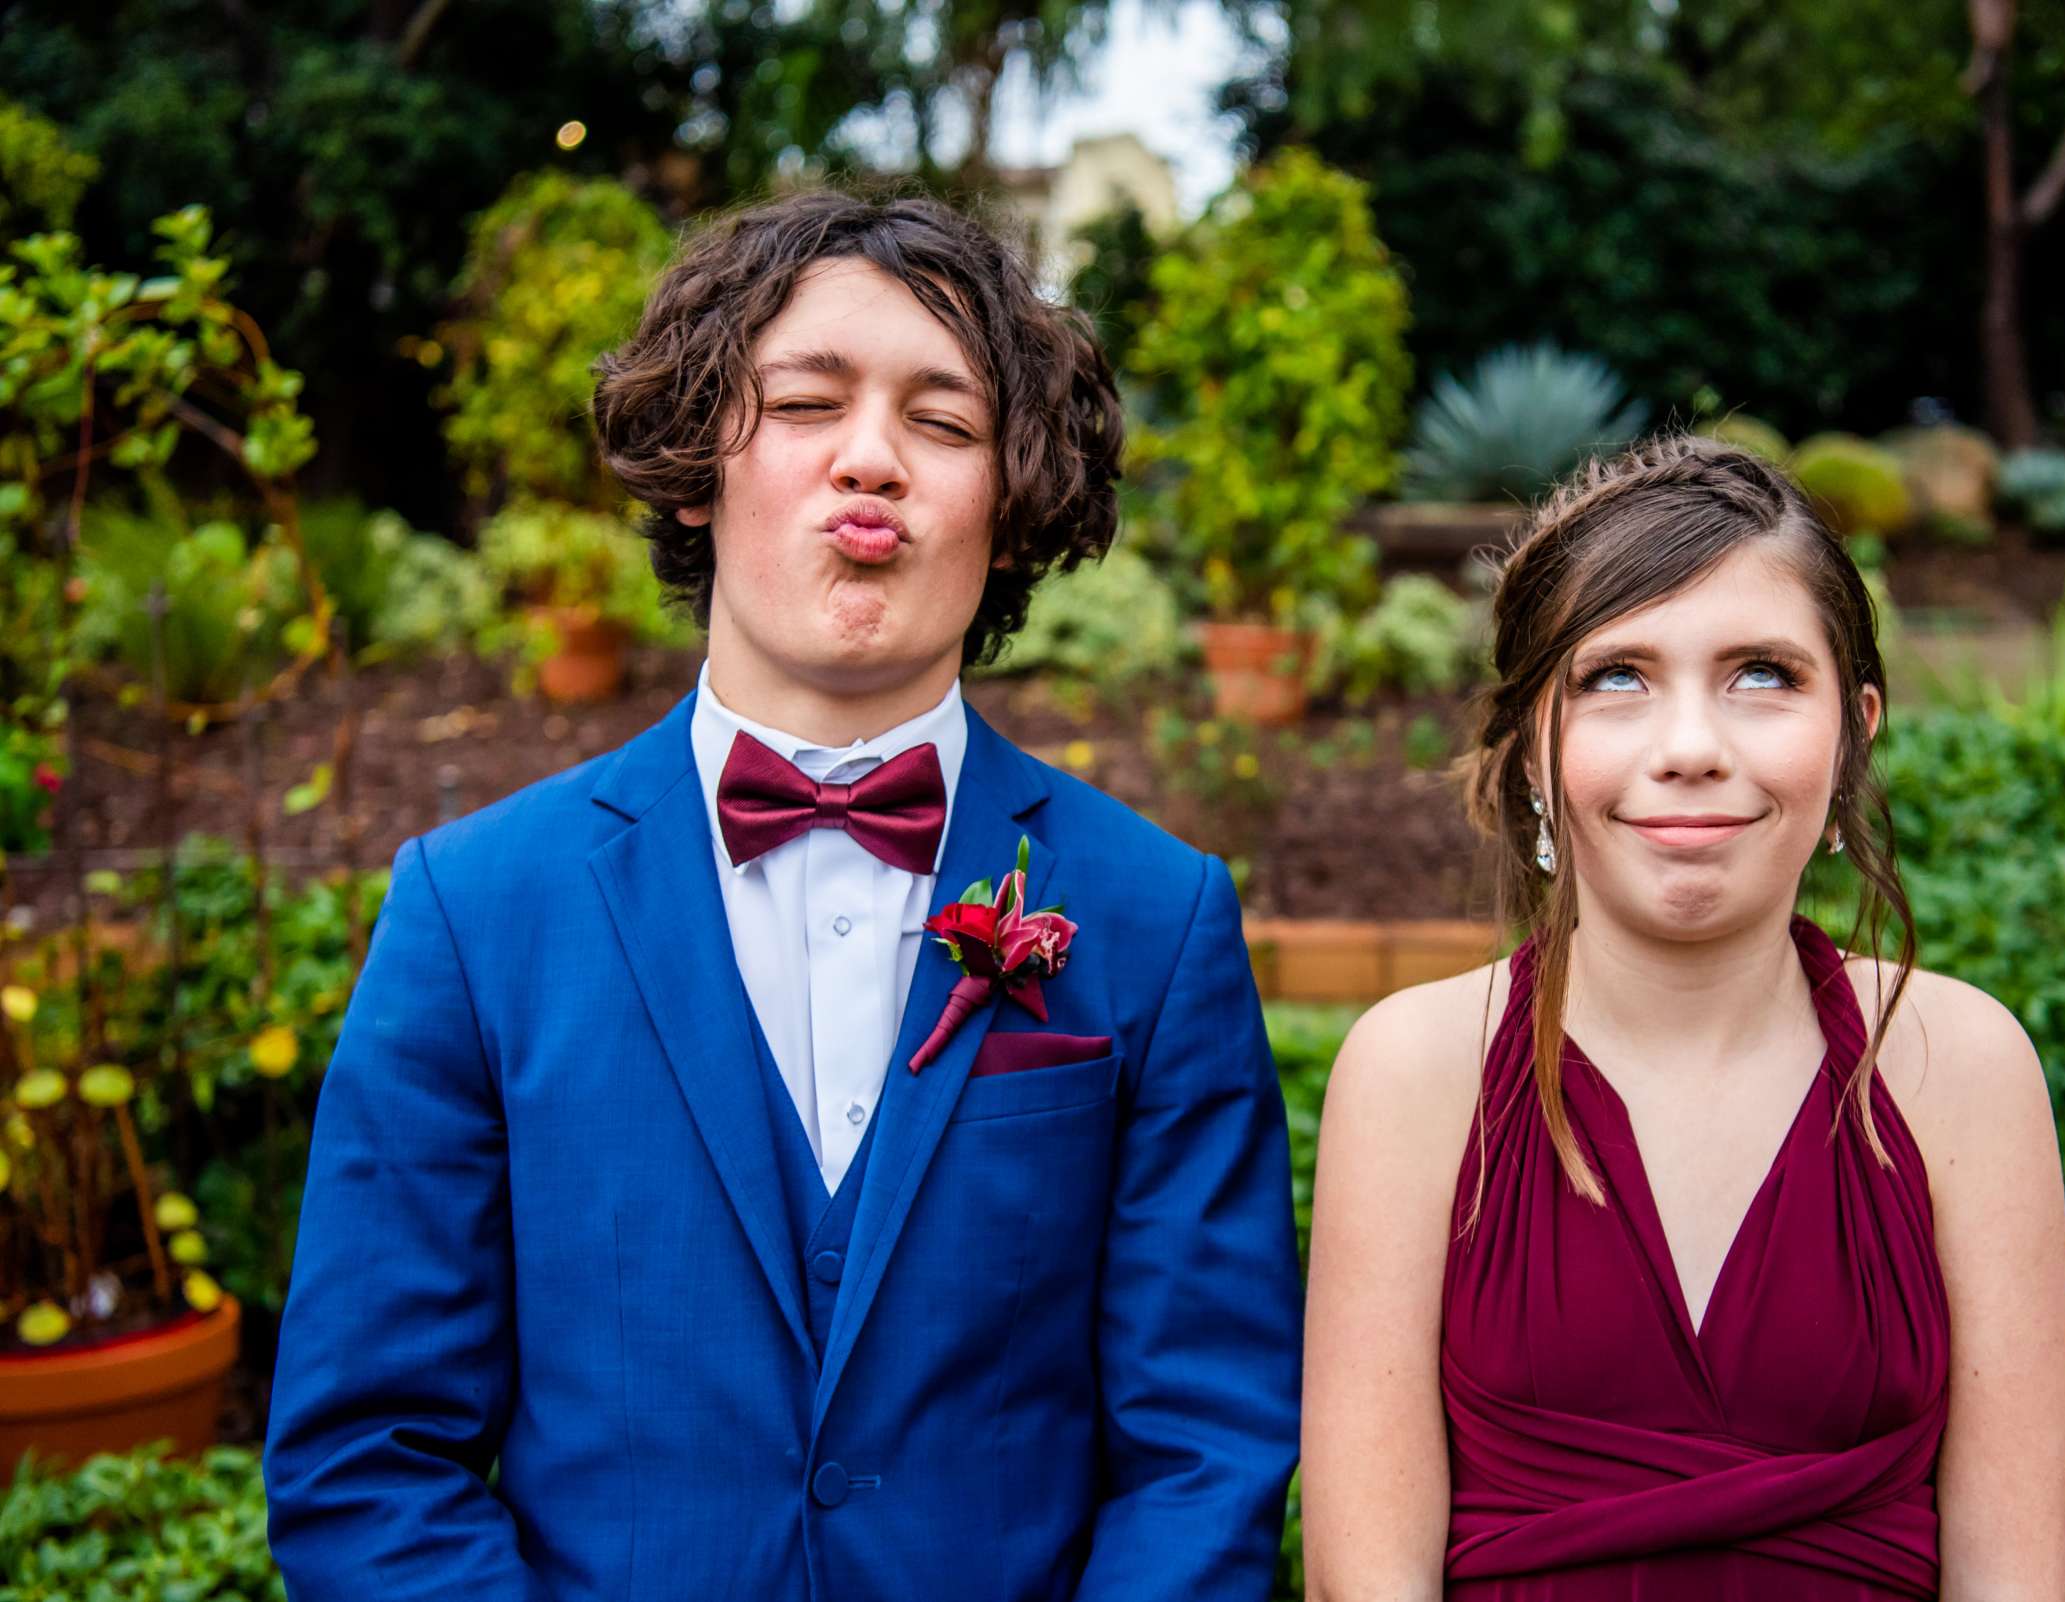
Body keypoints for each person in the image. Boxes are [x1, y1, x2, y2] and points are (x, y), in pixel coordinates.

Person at [264, 187, 1302, 1602]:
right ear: (697, 466)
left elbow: (1205, 1447)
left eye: (942, 423)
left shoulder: (1156, 917)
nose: (872, 459)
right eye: (809, 403)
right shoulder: (474, 908)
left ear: (1009, 505)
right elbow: (367, 1456)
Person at [1299, 434, 2065, 1601]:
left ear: (1855, 731)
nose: (1692, 750)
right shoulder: (1415, 1075)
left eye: (1762, 673)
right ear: (1529, 754)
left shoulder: (1958, 1068)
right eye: (1616, 677)